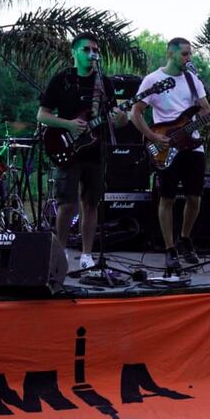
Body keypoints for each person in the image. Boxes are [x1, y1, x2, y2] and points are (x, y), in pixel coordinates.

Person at [37, 32, 125, 270]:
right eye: (86, 49)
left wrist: (121, 117)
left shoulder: (104, 83)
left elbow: (116, 120)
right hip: (66, 148)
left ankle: (87, 254)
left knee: (91, 204)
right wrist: (68, 124)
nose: (92, 54)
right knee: (67, 204)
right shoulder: (62, 79)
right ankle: (61, 252)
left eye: (95, 50)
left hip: (95, 150)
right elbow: (42, 115)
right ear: (74, 52)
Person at [129, 37, 210, 272]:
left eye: (190, 54)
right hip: (165, 145)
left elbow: (205, 110)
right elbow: (136, 113)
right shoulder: (153, 80)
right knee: (167, 198)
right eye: (185, 54)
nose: (188, 58)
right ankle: (169, 248)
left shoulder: (193, 80)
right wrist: (153, 137)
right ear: (171, 53)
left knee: (195, 198)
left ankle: (185, 239)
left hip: (193, 147)